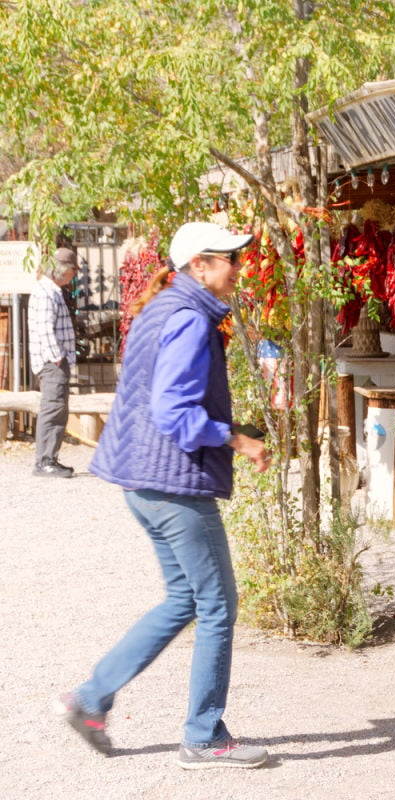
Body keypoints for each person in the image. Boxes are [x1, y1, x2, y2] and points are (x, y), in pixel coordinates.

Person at [56, 222, 272, 770]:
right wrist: (235, 438)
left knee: (184, 600)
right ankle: (203, 738)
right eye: (230, 259)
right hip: (174, 486)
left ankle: (90, 699)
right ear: (199, 265)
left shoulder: (164, 307)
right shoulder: (189, 318)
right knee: (219, 605)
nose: (239, 268)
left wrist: (228, 423)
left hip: (144, 482)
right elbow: (173, 411)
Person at [29, 247, 79, 477]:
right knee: (53, 408)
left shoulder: (51, 291)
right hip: (52, 363)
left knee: (57, 408)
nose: (73, 275)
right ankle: (45, 461)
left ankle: (50, 458)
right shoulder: (46, 292)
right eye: (71, 270)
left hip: (54, 361)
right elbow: (44, 328)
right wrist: (57, 357)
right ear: (60, 270)